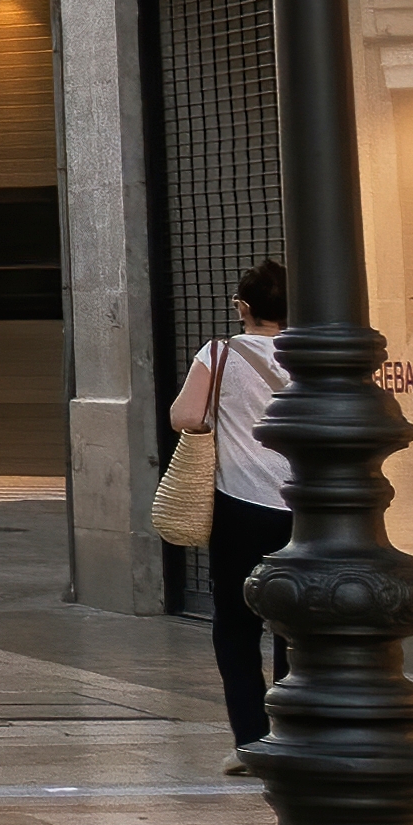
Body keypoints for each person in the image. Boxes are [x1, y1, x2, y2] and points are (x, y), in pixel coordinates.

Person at [173, 260, 294, 744]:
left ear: (243, 307)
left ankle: (250, 737)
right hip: (305, 508)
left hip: (239, 504)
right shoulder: (312, 351)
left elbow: (185, 416)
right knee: (296, 619)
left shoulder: (219, 354)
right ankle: (293, 733)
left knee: (237, 625)